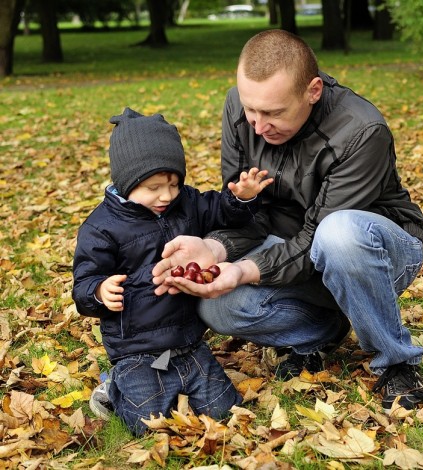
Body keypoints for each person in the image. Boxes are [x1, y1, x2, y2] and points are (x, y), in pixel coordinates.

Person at [152, 29, 423, 413]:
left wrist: (246, 270)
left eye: (273, 113)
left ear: (312, 91)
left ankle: (397, 361)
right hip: (289, 243)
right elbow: (247, 211)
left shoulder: (362, 132)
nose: (258, 125)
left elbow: (319, 236)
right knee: (217, 307)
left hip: (376, 250)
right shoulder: (241, 110)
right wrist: (214, 248)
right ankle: (320, 331)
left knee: (339, 237)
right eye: (251, 109)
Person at [72, 107, 273, 435]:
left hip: (188, 341)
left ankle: (178, 386)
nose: (166, 195)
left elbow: (223, 213)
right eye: (153, 187)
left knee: (228, 412)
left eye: (174, 184)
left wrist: (241, 200)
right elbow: (84, 283)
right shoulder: (102, 228)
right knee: (149, 425)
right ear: (126, 182)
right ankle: (114, 388)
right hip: (136, 349)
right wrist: (98, 291)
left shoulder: (187, 203)